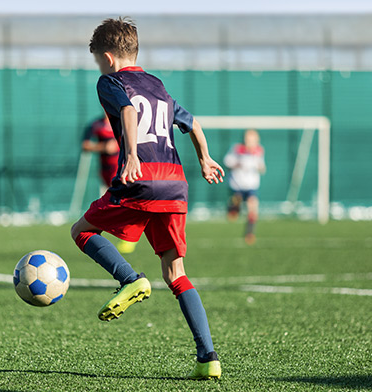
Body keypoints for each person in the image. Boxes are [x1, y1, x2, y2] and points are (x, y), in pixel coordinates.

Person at [70, 17, 225, 380]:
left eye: (97, 60)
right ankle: (208, 358)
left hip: (142, 177)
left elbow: (126, 110)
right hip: (175, 182)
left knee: (81, 231)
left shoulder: (110, 81)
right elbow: (193, 124)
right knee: (177, 274)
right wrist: (205, 158)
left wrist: (133, 155)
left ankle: (128, 279)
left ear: (107, 57)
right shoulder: (156, 84)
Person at [82, 114, 137, 254]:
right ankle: (124, 231)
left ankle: (129, 234)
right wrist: (103, 147)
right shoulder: (96, 124)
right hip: (105, 170)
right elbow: (85, 145)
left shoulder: (123, 121)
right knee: (114, 201)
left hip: (122, 168)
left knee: (124, 200)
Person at [224, 129, 265, 244]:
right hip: (237, 185)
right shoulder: (237, 149)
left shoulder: (259, 151)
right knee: (234, 213)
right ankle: (233, 207)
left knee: (253, 206)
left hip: (252, 185)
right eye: (248, 139)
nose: (250, 142)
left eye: (253, 140)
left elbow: (262, 167)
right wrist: (238, 164)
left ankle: (249, 233)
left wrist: (259, 167)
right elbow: (227, 162)